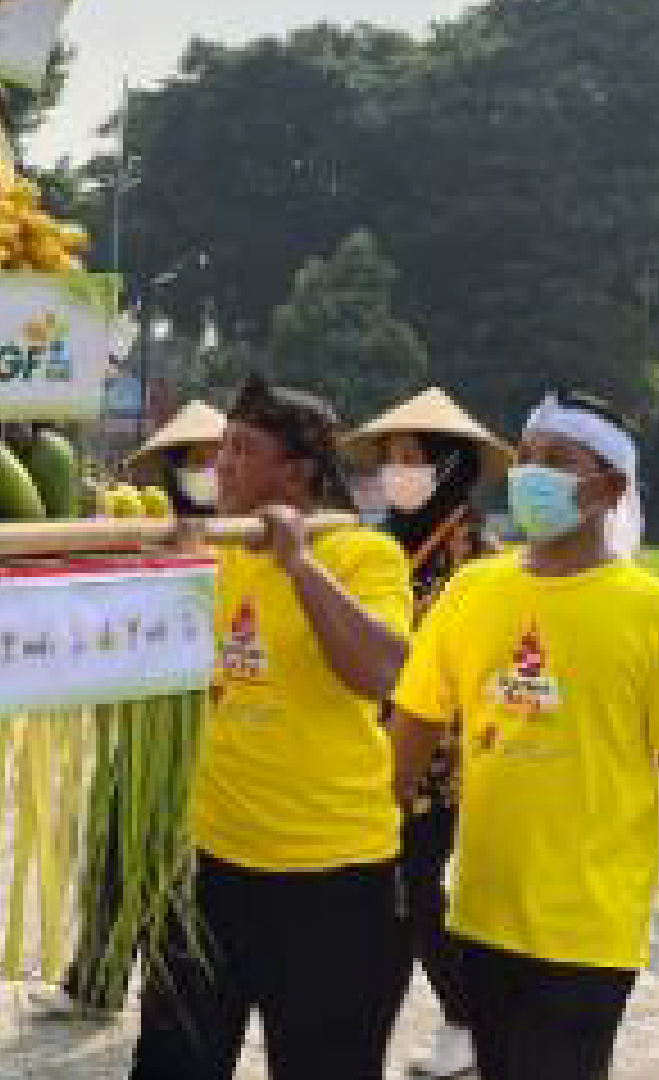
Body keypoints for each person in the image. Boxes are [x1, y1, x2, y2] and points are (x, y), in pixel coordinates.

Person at [389, 392, 659, 1080]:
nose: (530, 474)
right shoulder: (472, 591)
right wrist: (372, 847)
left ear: (608, 489)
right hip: (483, 907)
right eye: (526, 458)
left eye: (556, 461)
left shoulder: (653, 612)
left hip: (590, 923)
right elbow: (416, 720)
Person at [126, 376, 415, 1080]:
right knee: (172, 1065)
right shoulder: (215, 556)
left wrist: (299, 564)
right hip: (211, 868)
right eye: (221, 447)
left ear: (297, 472)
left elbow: (382, 671)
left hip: (334, 877)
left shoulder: (358, 553)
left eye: (242, 449)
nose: (220, 463)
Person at [28, 398, 227, 1025]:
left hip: (209, 730)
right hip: (137, 713)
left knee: (176, 862)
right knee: (115, 838)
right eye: (188, 462)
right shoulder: (144, 526)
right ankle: (95, 980)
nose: (203, 471)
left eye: (212, 460)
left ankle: (172, 984)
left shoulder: (241, 541)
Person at [341, 387, 513, 1080]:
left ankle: (466, 1017)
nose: (396, 471)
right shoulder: (378, 544)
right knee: (385, 891)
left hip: (444, 757)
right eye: (389, 458)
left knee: (413, 886)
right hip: (368, 746)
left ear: (449, 467)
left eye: (413, 458)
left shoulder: (481, 558)